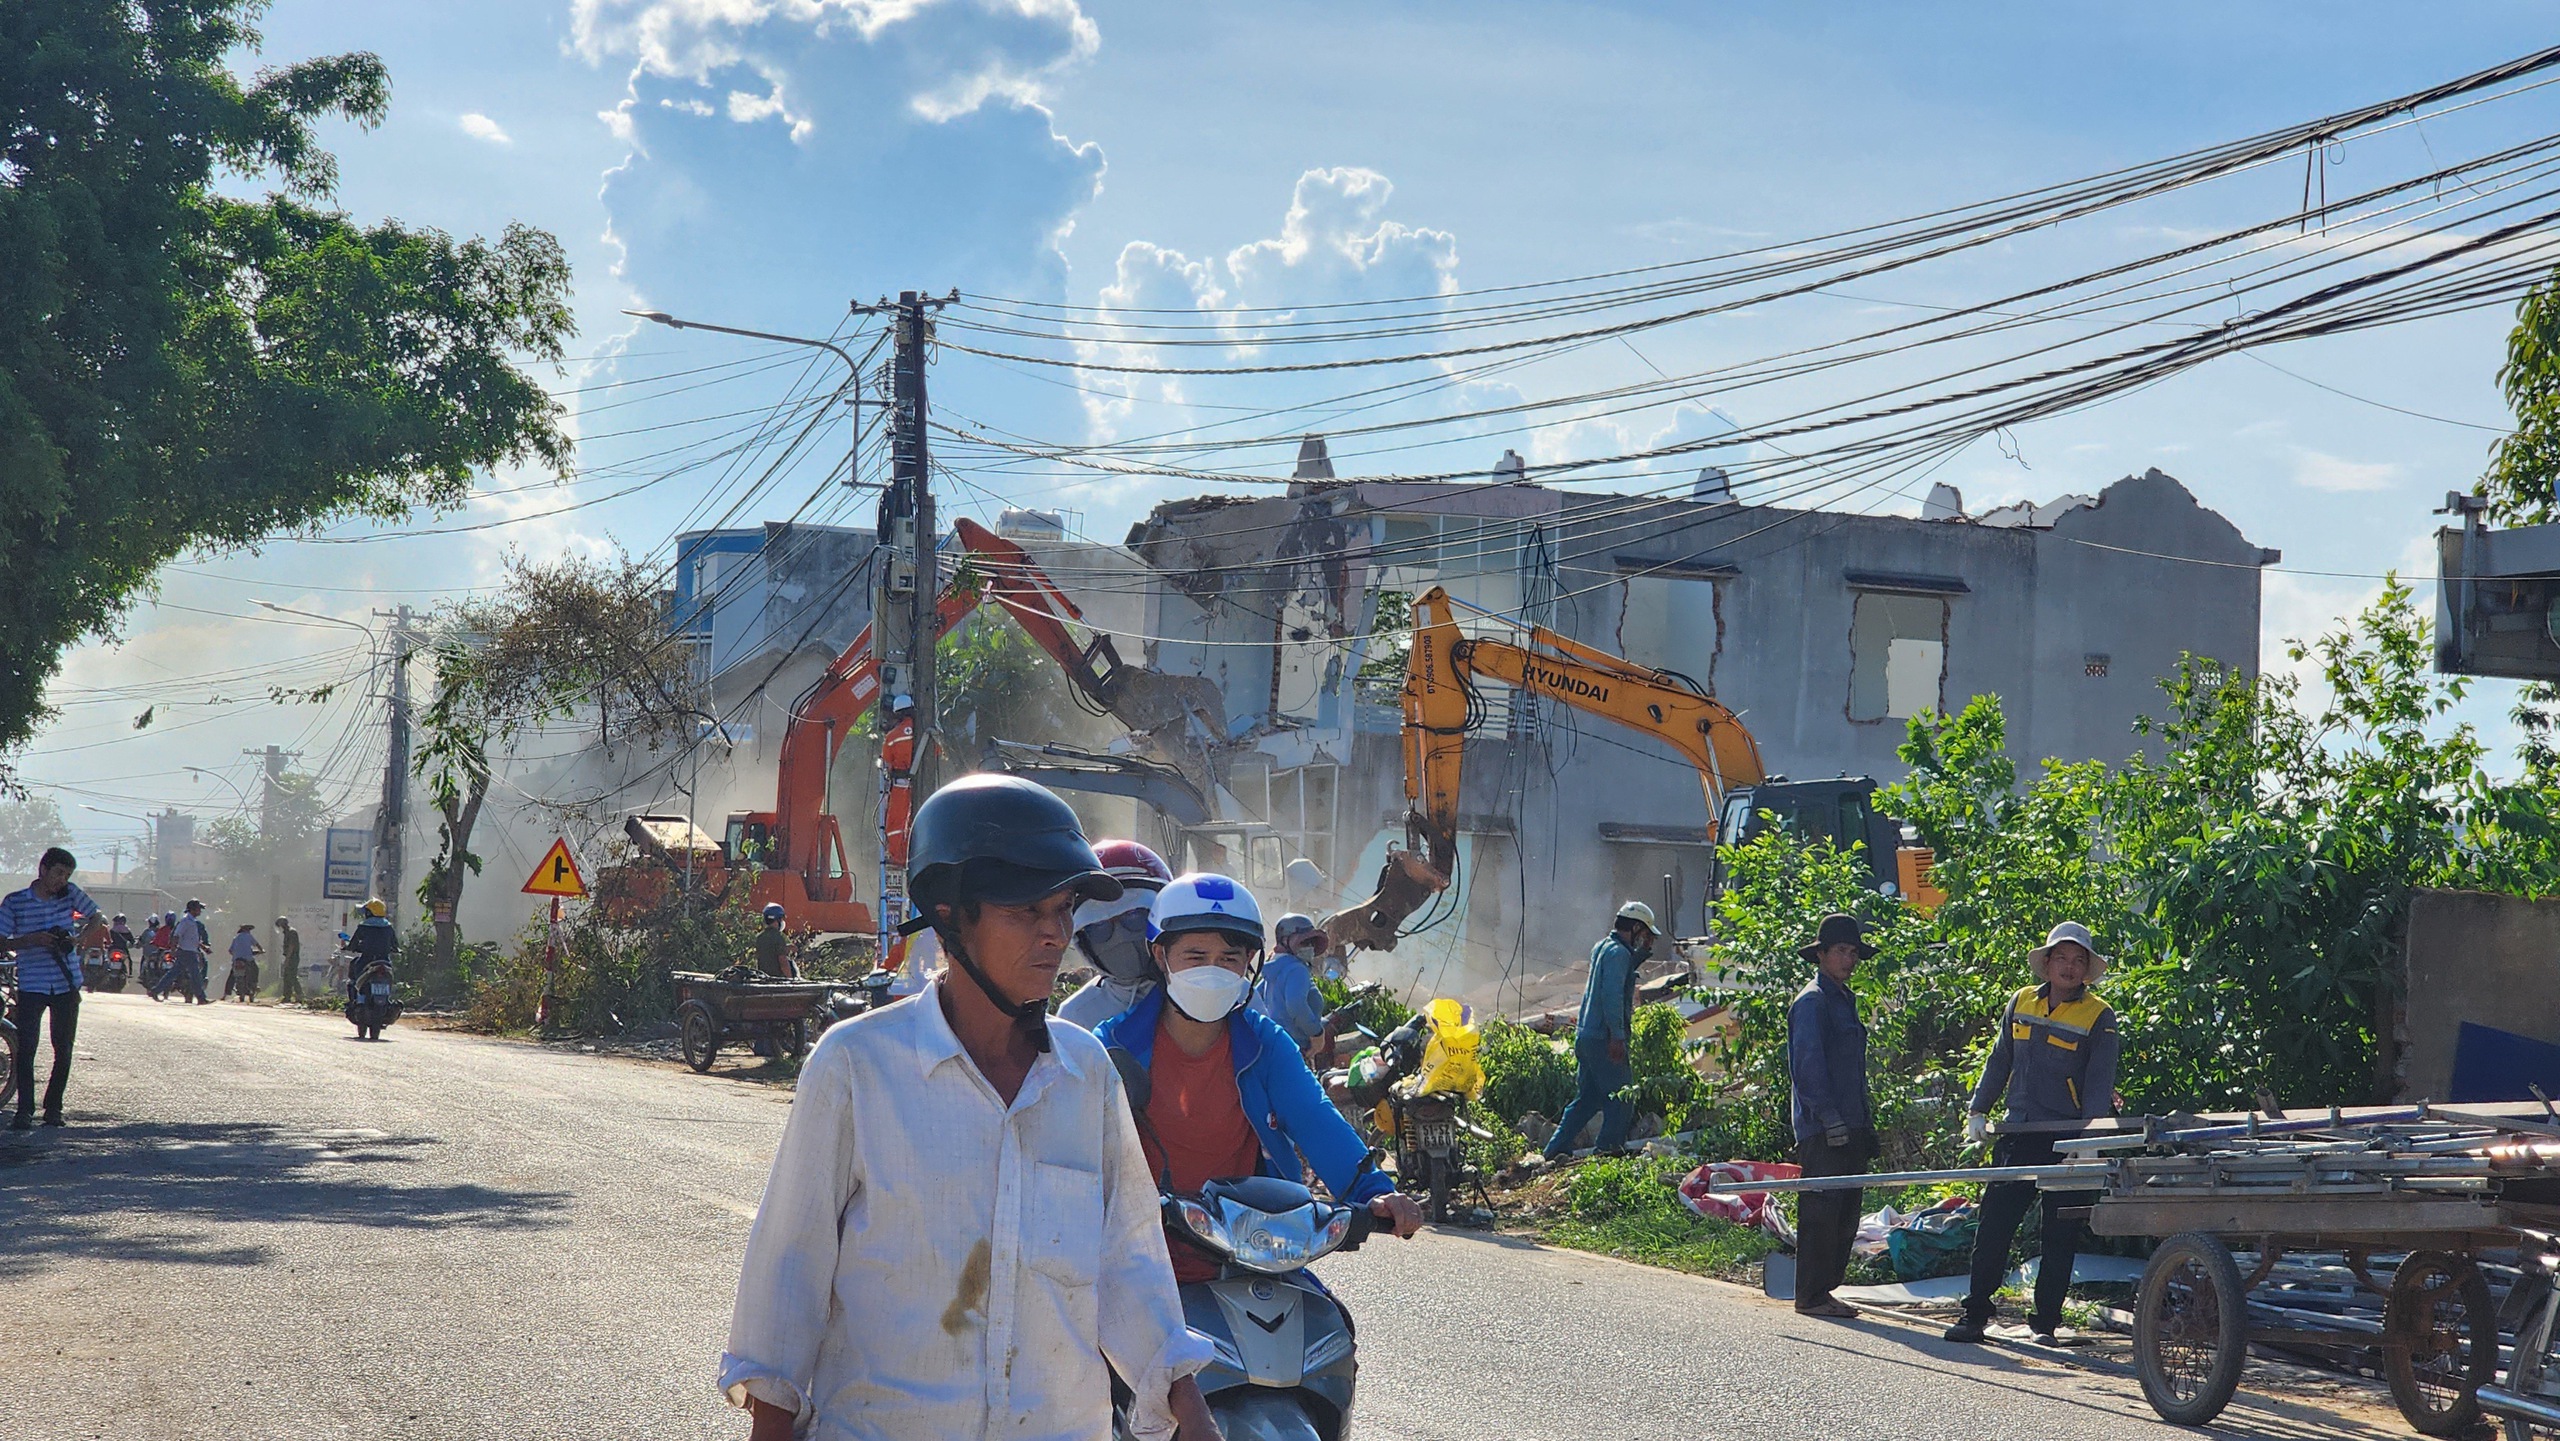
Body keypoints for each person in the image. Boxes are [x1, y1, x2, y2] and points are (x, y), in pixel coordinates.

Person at [719, 774, 1220, 1441]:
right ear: (951, 913)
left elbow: (1129, 1263)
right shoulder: (856, 1067)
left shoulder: (1086, 1074)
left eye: (1064, 909)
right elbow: (790, 1272)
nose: (1054, 934)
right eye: (1026, 911)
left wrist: (1191, 1410)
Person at [1095, 873, 1421, 1288]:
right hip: (1137, 1271)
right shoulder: (1110, 1047)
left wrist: (1374, 1191)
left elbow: (1318, 1122)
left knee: (1334, 1337)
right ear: (1161, 956)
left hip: (1252, 1258)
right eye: (1195, 956)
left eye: (1230, 958)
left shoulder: (1267, 1046)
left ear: (1250, 963)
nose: (1213, 971)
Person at [1944, 922, 2121, 1347]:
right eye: (2062, 957)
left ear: (2087, 969)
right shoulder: (2021, 1001)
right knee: (1995, 1225)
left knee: (2059, 1233)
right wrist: (1978, 1109)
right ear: (2046, 963)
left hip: (2068, 1139)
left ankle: (2045, 1324)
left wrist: (2090, 1142)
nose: (2070, 967)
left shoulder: (2099, 1015)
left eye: (2079, 960)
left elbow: (2100, 1082)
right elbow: (1999, 1058)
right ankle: (1975, 1315)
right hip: (2019, 1131)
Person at [1788, 912, 1876, 1320]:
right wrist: (1828, 1118)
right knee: (1821, 1212)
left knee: (1845, 1214)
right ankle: (1810, 1294)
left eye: (1854, 952)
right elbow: (1807, 1068)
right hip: (1823, 1127)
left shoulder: (1844, 999)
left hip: (1851, 1121)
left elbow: (1853, 1072)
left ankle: (1825, 1291)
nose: (1849, 959)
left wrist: (1862, 1122)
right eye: (1842, 951)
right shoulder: (1812, 1001)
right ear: (1821, 954)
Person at [1540, 901, 1657, 1164]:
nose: (1645, 937)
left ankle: (1554, 1149)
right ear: (1636, 927)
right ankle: (1607, 1154)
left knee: (1589, 1099)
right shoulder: (1619, 954)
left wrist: (1642, 953)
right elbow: (1612, 995)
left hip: (1587, 1036)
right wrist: (1617, 1036)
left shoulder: (1604, 947)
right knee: (1622, 1096)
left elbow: (1616, 972)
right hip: (1605, 1038)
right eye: (1644, 932)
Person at [0, 847, 98, 1129]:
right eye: (58, 873)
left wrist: (77, 940)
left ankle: (54, 1108)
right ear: (42, 869)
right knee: (27, 1048)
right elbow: (1, 940)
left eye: (67, 875)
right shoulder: (15, 902)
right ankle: (24, 1110)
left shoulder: (71, 894)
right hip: (33, 983)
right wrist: (34, 940)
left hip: (66, 983)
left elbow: (97, 917)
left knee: (63, 1048)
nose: (62, 880)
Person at [1053, 839, 1175, 1033]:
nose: (1120, 936)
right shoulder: (1076, 1018)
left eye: (1134, 917)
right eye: (1099, 926)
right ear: (1082, 940)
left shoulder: (1197, 994)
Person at [1250, 913, 1331, 1055]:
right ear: (1285, 941)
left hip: (1274, 1045)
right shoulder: (1297, 969)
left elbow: (1253, 998)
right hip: (1295, 1049)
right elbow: (1296, 1005)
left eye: (1311, 943)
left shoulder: (1275, 968)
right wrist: (1317, 1033)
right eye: (1304, 942)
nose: (1310, 947)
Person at [152, 899, 212, 1004]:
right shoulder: (186, 921)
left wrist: (204, 948)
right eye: (199, 909)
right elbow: (176, 935)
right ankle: (201, 998)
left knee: (173, 973)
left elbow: (193, 940)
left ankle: (155, 990)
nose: (200, 911)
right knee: (195, 975)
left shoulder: (192, 921)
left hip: (189, 951)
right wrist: (173, 950)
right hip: (187, 952)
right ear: (193, 909)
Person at [751, 903, 794, 979]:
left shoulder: (759, 937)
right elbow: (782, 961)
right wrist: (790, 979)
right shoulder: (778, 937)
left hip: (763, 979)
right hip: (778, 980)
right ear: (778, 919)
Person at [224, 923, 263, 1001]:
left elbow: (230, 950)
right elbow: (257, 945)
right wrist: (261, 950)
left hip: (237, 960)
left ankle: (226, 993)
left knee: (232, 976)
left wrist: (236, 955)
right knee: (255, 970)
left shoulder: (236, 938)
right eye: (248, 930)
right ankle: (254, 985)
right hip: (248, 959)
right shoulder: (249, 936)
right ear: (246, 930)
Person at [274, 916, 303, 1003]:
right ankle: (287, 996)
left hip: (292, 958)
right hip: (289, 957)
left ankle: (299, 994)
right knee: (287, 977)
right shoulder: (287, 933)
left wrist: (287, 959)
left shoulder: (291, 932)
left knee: (292, 976)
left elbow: (291, 946)